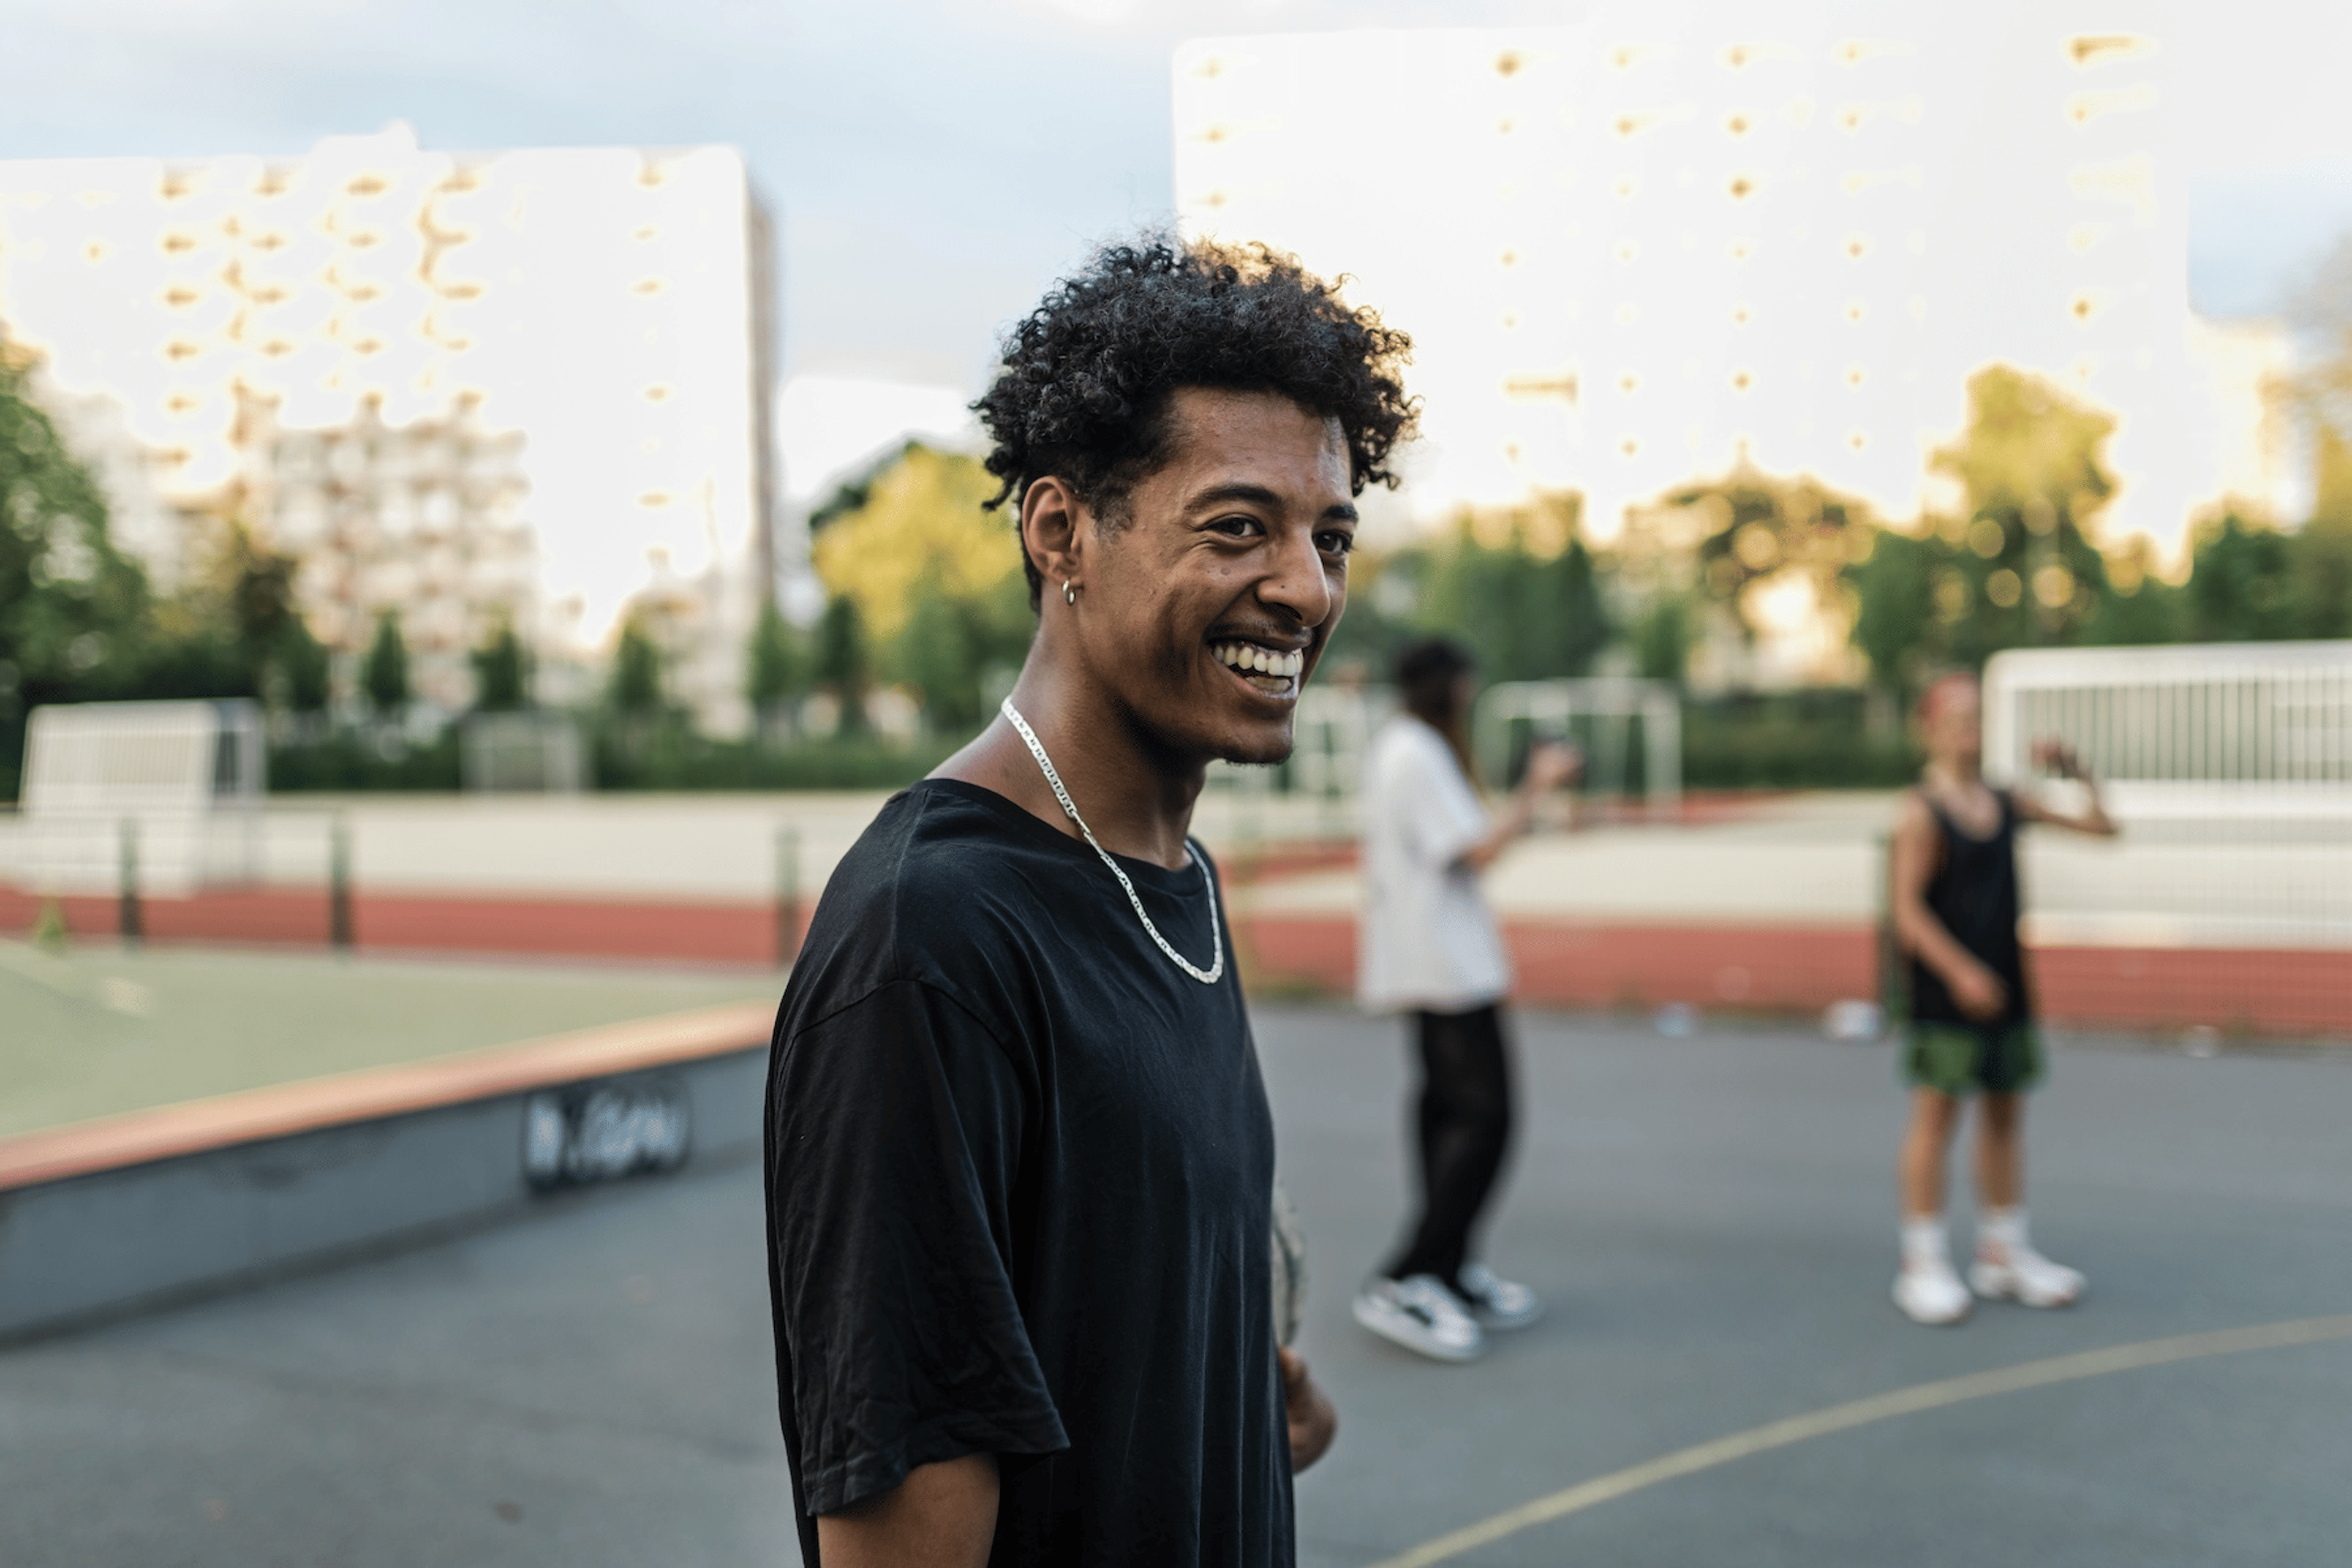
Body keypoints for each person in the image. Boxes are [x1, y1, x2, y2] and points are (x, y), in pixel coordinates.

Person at [763, 236, 1413, 1566]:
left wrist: (1228, 1400)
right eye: (1239, 526)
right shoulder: (931, 936)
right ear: (1061, 531)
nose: (1305, 586)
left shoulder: (1177, 883)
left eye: (1328, 534)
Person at [1351, 638, 1579, 1362]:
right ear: (1447, 686)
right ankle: (1408, 1275)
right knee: (1486, 1117)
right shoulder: (1415, 751)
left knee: (1447, 1113)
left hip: (1437, 960)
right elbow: (1475, 849)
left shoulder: (1407, 746)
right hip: (1443, 966)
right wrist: (1539, 785)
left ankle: (1446, 1267)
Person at [1888, 671, 2117, 1326]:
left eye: (1976, 717)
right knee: (1936, 1117)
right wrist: (1959, 972)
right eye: (1956, 717)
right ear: (1928, 728)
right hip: (1948, 994)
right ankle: (1922, 1260)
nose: (1970, 729)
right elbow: (1906, 912)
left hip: (2007, 983)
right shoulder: (1920, 813)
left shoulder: (2006, 800)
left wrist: (2077, 769)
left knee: (2005, 1114)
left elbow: (2104, 828)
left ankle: (2002, 1252)